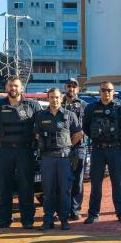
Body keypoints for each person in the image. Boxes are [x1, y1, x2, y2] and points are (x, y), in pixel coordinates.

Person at [0, 76, 40, 229]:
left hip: (25, 150)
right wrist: (3, 136)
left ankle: (27, 219)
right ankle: (4, 219)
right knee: (5, 185)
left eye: (16, 86)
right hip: (5, 150)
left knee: (26, 185)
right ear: (6, 87)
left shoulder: (33, 105)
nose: (13, 88)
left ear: (21, 88)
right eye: (10, 85)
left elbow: (39, 126)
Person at [82, 81, 121, 224]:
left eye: (109, 90)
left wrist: (118, 139)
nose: (106, 93)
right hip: (98, 149)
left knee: (118, 183)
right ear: (99, 91)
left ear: (113, 92)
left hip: (115, 149)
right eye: (103, 90)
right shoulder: (91, 108)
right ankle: (93, 214)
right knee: (96, 183)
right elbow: (86, 127)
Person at [35, 88, 83, 230]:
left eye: (57, 97)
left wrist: (67, 146)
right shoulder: (41, 116)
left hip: (64, 158)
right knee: (48, 191)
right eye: (51, 97)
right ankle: (48, 220)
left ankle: (64, 219)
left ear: (61, 98)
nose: (54, 100)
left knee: (65, 191)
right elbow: (37, 135)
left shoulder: (69, 115)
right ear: (47, 99)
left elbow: (78, 134)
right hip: (48, 158)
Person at [63, 78, 88, 220]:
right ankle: (63, 208)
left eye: (74, 86)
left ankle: (75, 209)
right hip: (61, 148)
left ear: (78, 89)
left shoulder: (84, 105)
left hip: (78, 147)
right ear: (65, 87)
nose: (71, 89)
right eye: (69, 86)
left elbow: (86, 126)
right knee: (63, 180)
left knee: (77, 181)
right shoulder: (59, 103)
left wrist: (73, 142)